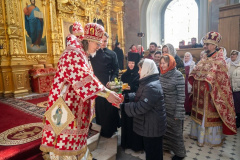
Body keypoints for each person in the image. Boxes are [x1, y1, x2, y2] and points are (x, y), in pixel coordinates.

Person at [40, 22, 122, 159]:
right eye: (97, 43)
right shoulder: (73, 53)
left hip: (75, 103)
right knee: (65, 141)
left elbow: (89, 76)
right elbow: (83, 77)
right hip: (66, 104)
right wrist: (106, 93)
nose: (99, 46)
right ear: (89, 40)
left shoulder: (82, 53)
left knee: (77, 138)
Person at [189, 31, 237, 147]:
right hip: (200, 94)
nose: (205, 46)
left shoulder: (220, 60)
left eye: (208, 44)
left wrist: (209, 80)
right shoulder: (204, 57)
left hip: (211, 95)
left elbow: (222, 79)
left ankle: (209, 139)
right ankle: (198, 136)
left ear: (215, 45)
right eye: (205, 43)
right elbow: (196, 71)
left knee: (207, 116)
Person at [118, 59, 166, 160]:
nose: (139, 71)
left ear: (146, 70)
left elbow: (142, 106)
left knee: (153, 154)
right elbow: (141, 96)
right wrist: (127, 97)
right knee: (151, 152)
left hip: (152, 126)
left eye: (140, 69)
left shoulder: (151, 86)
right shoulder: (148, 82)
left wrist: (122, 106)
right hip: (150, 124)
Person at [90, 32, 120, 138]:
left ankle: (110, 129)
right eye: (101, 41)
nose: (103, 43)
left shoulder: (112, 54)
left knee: (110, 109)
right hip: (96, 84)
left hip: (109, 84)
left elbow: (116, 70)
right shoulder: (92, 53)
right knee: (99, 108)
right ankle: (101, 129)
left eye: (105, 41)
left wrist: (112, 81)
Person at [159, 54, 186, 160]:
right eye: (160, 63)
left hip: (174, 108)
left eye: (164, 63)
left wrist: (178, 112)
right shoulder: (162, 74)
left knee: (176, 132)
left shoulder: (178, 75)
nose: (162, 65)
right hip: (163, 107)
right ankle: (166, 147)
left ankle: (180, 154)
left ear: (170, 63)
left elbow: (181, 95)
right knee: (165, 130)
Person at [120, 53, 143, 152]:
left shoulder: (139, 75)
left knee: (134, 123)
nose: (131, 65)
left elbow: (141, 89)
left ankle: (135, 145)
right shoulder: (124, 75)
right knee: (125, 122)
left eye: (133, 63)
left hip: (135, 102)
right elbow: (120, 87)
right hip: (126, 101)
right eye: (129, 63)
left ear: (136, 63)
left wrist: (131, 88)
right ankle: (126, 143)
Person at [227, 50, 240, 128]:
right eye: (231, 55)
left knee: (238, 107)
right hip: (229, 90)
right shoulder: (228, 65)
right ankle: (231, 121)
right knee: (231, 107)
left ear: (238, 56)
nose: (232, 56)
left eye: (234, 55)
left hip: (238, 90)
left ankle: (238, 122)